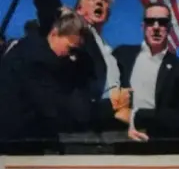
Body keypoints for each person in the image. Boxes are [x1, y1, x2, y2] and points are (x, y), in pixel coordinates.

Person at [0, 8, 124, 140]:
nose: (73, 57)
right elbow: (59, 110)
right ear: (54, 33)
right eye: (70, 49)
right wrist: (110, 108)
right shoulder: (35, 63)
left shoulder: (35, 50)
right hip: (16, 141)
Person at [114, 3, 179, 141]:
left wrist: (143, 118)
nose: (156, 27)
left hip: (158, 142)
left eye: (162, 22)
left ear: (169, 28)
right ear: (143, 26)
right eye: (150, 22)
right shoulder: (122, 56)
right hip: (118, 139)